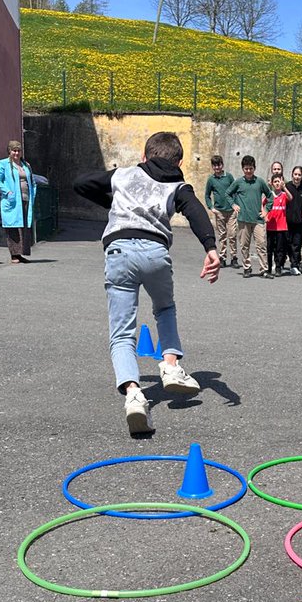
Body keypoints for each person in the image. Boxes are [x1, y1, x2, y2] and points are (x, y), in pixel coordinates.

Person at [73, 130, 219, 436]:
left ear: (144, 156)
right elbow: (195, 210)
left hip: (119, 251)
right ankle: (169, 365)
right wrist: (211, 248)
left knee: (122, 332)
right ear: (178, 161)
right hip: (155, 253)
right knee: (164, 308)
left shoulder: (124, 175)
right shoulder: (177, 185)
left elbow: (81, 183)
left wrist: (115, 205)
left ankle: (134, 395)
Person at [227, 155, 272, 278]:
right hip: (243, 219)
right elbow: (228, 194)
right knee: (244, 245)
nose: (248, 171)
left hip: (258, 220)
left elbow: (270, 196)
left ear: (254, 168)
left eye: (250, 168)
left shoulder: (260, 182)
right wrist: (233, 205)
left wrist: (266, 210)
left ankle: (264, 269)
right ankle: (247, 267)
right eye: (246, 168)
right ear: (243, 169)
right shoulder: (238, 182)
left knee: (261, 244)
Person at [0, 139, 37, 263]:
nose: (16, 153)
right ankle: (14, 255)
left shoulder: (26, 165)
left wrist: (33, 194)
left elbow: (32, 181)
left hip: (26, 199)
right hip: (12, 200)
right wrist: (8, 192)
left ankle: (21, 253)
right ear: (9, 151)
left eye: (18, 151)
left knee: (24, 227)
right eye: (14, 151)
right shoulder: (3, 164)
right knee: (13, 227)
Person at [204, 154, 237, 268]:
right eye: (215, 166)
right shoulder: (211, 180)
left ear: (222, 165)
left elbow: (235, 191)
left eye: (219, 165)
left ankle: (234, 257)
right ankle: (222, 257)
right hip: (219, 211)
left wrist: (235, 205)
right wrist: (211, 207)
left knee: (232, 234)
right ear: (212, 167)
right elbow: (207, 195)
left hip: (231, 211)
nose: (217, 168)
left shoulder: (229, 177)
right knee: (222, 235)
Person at [284, 164, 302, 276]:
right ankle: (286, 262)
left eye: (299, 175)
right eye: (295, 174)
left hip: (299, 222)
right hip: (287, 221)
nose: (297, 177)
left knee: (297, 244)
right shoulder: (287, 187)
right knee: (287, 243)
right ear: (292, 175)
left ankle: (294, 265)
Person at [265, 172, 289, 277]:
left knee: (279, 249)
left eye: (279, 181)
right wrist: (265, 215)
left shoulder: (284, 195)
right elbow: (262, 205)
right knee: (270, 248)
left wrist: (285, 187)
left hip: (281, 227)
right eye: (275, 182)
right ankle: (269, 268)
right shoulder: (269, 195)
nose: (277, 184)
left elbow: (291, 197)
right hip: (270, 226)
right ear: (272, 184)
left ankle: (278, 267)